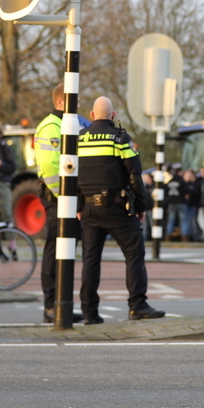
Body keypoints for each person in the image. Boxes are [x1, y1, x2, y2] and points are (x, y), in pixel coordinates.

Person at [76, 96, 164, 324]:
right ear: (113, 116)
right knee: (134, 253)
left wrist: (78, 206)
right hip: (117, 208)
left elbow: (71, 175)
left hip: (88, 210)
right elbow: (135, 174)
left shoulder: (79, 140)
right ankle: (137, 305)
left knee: (90, 260)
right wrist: (141, 206)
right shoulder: (120, 138)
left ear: (92, 116)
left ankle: (89, 312)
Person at [35, 83, 82, 324]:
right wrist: (65, 198)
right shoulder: (50, 127)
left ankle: (62, 303)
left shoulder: (75, 124)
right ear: (61, 102)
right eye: (76, 99)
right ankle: (51, 306)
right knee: (55, 251)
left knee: (67, 254)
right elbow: (50, 166)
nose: (80, 104)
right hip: (58, 199)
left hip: (72, 200)